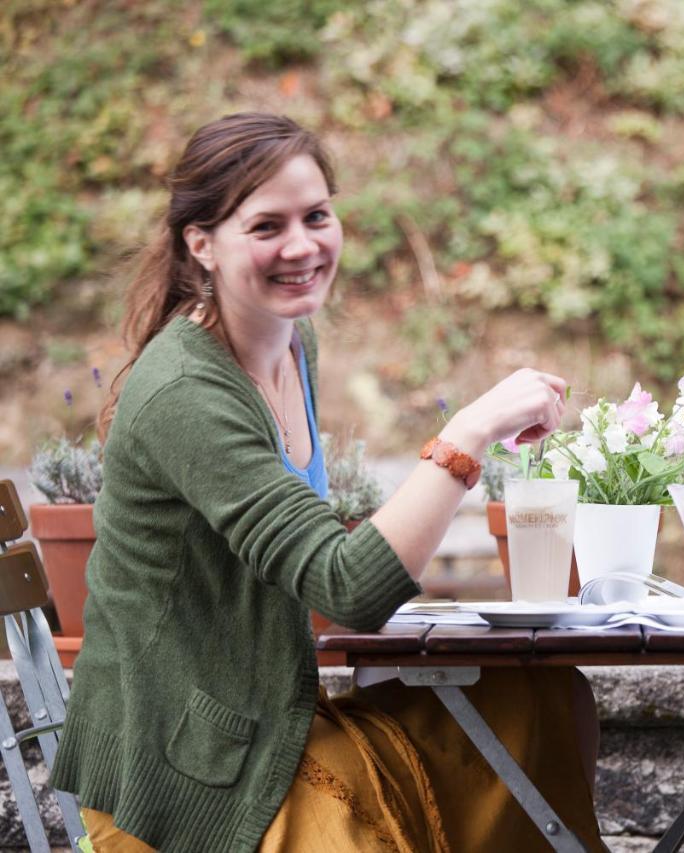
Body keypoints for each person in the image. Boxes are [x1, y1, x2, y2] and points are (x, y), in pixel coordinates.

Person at [50, 113, 605, 852]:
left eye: (317, 215)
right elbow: (350, 588)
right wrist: (467, 433)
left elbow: (311, 564)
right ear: (201, 244)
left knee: (543, 696)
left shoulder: (288, 342)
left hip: (265, 720)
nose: (303, 246)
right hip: (179, 772)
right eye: (267, 226)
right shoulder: (186, 391)